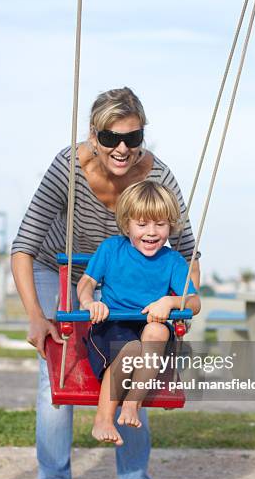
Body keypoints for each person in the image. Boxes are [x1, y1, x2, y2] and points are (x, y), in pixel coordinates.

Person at [11, 87, 200, 479]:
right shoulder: (67, 168)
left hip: (127, 284)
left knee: (136, 367)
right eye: (110, 137)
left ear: (142, 138)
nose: (121, 149)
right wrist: (36, 318)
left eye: (132, 139)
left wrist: (176, 302)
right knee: (54, 377)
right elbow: (24, 245)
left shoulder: (158, 178)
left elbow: (189, 253)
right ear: (93, 136)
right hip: (60, 272)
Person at [77, 181, 201, 446]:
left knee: (157, 331)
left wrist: (170, 301)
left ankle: (133, 403)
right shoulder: (111, 249)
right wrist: (90, 303)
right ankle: (103, 418)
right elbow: (86, 283)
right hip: (112, 326)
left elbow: (194, 302)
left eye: (160, 224)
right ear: (127, 223)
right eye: (142, 224)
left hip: (149, 327)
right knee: (131, 348)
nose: (152, 232)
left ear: (170, 225)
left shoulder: (173, 261)